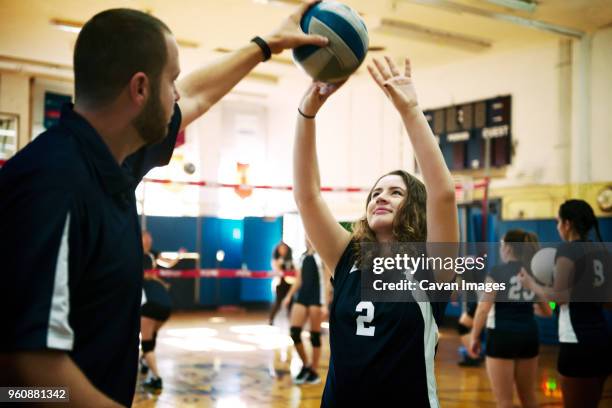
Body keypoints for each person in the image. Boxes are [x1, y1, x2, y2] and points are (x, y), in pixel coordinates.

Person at [0, 4, 327, 406]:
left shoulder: (116, 158)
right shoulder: (51, 185)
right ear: (139, 89)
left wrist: (266, 45)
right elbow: (26, 372)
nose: (176, 92)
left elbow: (197, 94)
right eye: (170, 80)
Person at [293, 56, 458, 406]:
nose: (381, 196)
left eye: (395, 192)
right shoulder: (348, 256)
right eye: (376, 193)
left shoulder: (430, 267)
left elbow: (443, 195)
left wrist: (410, 110)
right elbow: (307, 197)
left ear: (413, 206)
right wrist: (306, 115)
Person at [519, 199, 611, 408]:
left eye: (558, 221)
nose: (558, 227)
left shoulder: (568, 250)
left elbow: (560, 296)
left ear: (567, 224)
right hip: (603, 341)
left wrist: (532, 285)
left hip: (577, 343)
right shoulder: (601, 252)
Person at [468, 230, 552, 408]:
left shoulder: (497, 272)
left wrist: (474, 336)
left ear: (507, 248)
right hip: (529, 336)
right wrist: (525, 307)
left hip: (502, 337)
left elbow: (483, 308)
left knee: (504, 401)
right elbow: (548, 311)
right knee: (529, 397)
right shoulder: (533, 273)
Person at [282, 238, 329, 385]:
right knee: (294, 332)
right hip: (302, 297)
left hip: (316, 298)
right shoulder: (302, 257)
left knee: (314, 335)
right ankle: (306, 364)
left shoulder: (322, 255)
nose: (307, 237)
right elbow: (298, 280)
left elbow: (327, 281)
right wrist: (289, 296)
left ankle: (313, 371)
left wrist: (325, 305)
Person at [139, 231, 177, 393]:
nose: (149, 240)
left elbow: (151, 273)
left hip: (151, 304)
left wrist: (178, 257)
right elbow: (147, 276)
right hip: (165, 305)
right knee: (151, 338)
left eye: (149, 237)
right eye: (145, 237)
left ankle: (156, 378)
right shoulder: (138, 256)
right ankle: (144, 361)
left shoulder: (151, 255)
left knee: (147, 344)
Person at [269, 242, 295, 325]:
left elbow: (294, 270)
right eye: (281, 248)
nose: (283, 250)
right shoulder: (275, 259)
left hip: (290, 283)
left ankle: (292, 320)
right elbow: (276, 269)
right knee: (277, 303)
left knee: (291, 303)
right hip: (279, 284)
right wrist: (279, 263)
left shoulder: (291, 260)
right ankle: (271, 319)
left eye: (284, 248)